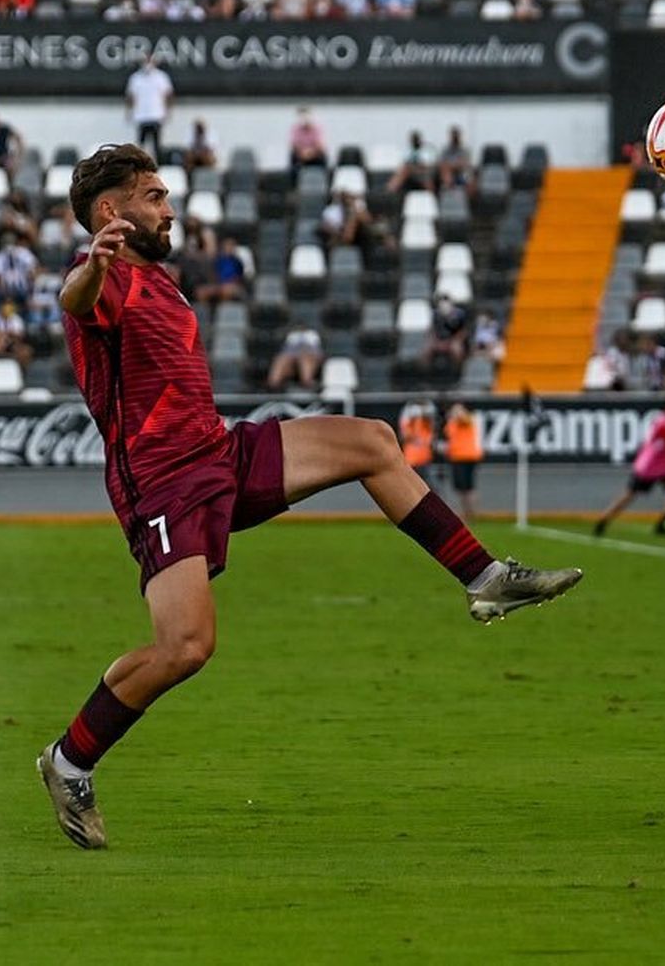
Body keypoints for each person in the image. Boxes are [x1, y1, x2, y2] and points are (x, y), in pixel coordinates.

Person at [36, 146, 581, 849]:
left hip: (218, 454)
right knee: (186, 647)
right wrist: (92, 265)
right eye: (154, 196)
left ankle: (485, 578)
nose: (170, 209)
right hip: (162, 483)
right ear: (111, 212)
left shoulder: (158, 280)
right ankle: (69, 760)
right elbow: (73, 298)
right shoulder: (103, 279)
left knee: (372, 443)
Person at [593, 403, 665, 537]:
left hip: (661, 467)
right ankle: (603, 520)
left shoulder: (663, 422)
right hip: (650, 468)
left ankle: (661, 522)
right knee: (629, 495)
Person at [125, 55, 173, 158]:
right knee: (141, 145)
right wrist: (129, 111)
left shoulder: (161, 77)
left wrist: (168, 111)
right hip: (141, 116)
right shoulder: (135, 78)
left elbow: (168, 95)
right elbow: (131, 96)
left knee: (157, 145)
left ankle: (158, 166)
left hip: (156, 115)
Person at [444, 402, 484, 521]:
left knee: (468, 486)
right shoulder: (452, 423)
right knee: (461, 487)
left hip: (467, 456)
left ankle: (471, 513)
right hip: (457, 457)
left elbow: (464, 419)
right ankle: (467, 512)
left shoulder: (467, 419)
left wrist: (458, 413)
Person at [266, 323, 323, 391]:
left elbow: (318, 352)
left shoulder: (313, 335)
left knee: (304, 358)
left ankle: (307, 382)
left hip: (310, 355)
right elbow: (287, 350)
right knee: (281, 358)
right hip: (291, 356)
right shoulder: (291, 336)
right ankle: (273, 385)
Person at [288, 107, 327, 182]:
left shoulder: (317, 128)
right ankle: (294, 185)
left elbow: (319, 145)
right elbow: (294, 145)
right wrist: (302, 153)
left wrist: (311, 153)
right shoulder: (295, 129)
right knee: (292, 157)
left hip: (314, 154)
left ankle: (325, 182)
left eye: (306, 116)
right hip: (301, 154)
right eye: (302, 117)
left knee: (323, 156)